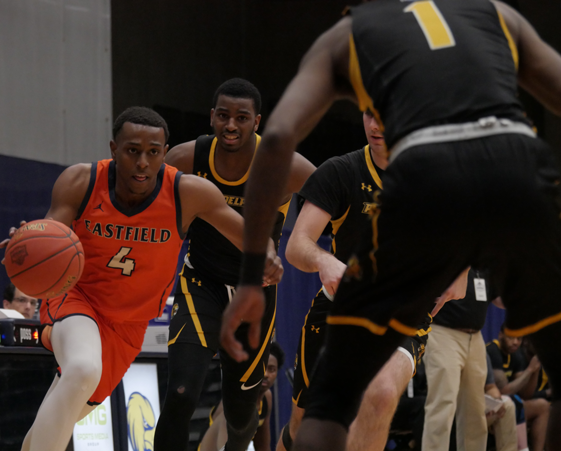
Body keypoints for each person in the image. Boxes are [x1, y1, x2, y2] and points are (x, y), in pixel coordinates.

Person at [220, 1, 561, 450]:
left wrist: (249, 280)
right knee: (310, 419)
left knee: (363, 398)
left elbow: (278, 138)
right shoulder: (496, 12)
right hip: (526, 173)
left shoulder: (350, 33)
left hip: (431, 182)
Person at [0, 106, 282, 451]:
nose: (143, 162)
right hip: (77, 298)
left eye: (153, 152)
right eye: (133, 151)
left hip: (129, 325)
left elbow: (253, 237)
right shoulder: (80, 182)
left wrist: (266, 256)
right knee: (84, 368)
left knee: (64, 413)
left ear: (166, 153)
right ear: (114, 149)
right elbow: (50, 235)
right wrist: (27, 245)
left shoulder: (187, 192)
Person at [278, 111, 466, 451]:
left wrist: (463, 272)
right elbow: (297, 245)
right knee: (302, 427)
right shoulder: (341, 171)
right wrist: (324, 261)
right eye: (368, 113)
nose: (376, 125)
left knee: (380, 393)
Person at [155, 78, 315, 451]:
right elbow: (139, 196)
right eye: (223, 116)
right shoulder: (186, 158)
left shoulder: (281, 163)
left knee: (243, 414)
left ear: (256, 122)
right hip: (201, 284)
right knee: (180, 394)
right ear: (211, 117)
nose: (231, 125)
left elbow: (335, 193)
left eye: (241, 118)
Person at [422, 270, 503, 451]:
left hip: (475, 338)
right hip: (443, 332)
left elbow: (498, 297)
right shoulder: (453, 246)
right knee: (442, 406)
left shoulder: (484, 260)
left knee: (476, 413)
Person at [199, 341, 285, 451]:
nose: (266, 374)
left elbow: (262, 445)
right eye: (262, 368)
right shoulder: (235, 402)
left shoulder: (267, 397)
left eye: (272, 369)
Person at [487, 328, 550, 451]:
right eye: (511, 338)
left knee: (543, 406)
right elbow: (503, 391)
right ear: (500, 335)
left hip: (511, 403)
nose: (515, 342)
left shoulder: (516, 354)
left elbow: (526, 394)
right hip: (491, 406)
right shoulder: (492, 350)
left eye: (519, 339)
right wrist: (530, 370)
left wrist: (535, 370)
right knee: (512, 402)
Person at [485, 352, 520, 451]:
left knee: (507, 405)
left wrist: (496, 401)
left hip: (479, 404)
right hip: (459, 407)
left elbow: (490, 387)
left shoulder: (481, 352)